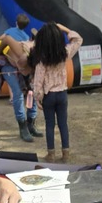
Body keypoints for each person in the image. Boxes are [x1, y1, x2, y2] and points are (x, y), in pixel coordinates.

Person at [30, 22, 82, 163]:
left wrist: (37, 98)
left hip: (49, 95)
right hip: (62, 94)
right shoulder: (64, 53)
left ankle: (51, 154)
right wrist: (64, 28)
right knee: (63, 124)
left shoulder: (42, 59)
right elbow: (78, 39)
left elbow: (38, 82)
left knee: (49, 125)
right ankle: (66, 153)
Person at [0, 14, 42, 142]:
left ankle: (31, 124)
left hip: (22, 64)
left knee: (31, 92)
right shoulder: (20, 51)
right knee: (18, 93)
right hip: (8, 64)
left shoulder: (37, 61)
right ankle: (23, 126)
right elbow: (7, 39)